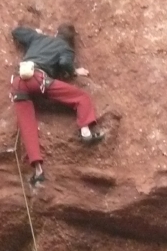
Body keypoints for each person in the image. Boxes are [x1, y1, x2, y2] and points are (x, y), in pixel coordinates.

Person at [10, 23, 105, 186]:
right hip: (39, 80)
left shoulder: (39, 38)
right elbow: (64, 64)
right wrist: (75, 71)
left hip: (19, 82)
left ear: (55, 33)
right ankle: (85, 132)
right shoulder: (66, 48)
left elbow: (16, 32)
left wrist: (35, 32)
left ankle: (38, 170)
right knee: (81, 97)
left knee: (27, 126)